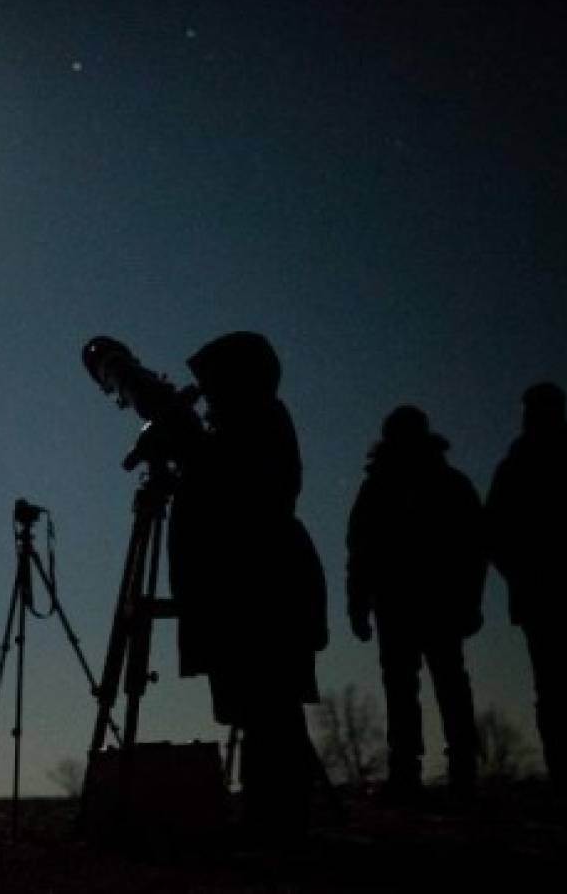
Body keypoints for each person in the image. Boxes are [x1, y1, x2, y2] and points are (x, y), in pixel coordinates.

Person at [168, 331, 328, 840]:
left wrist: (192, 449)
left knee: (268, 710)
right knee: (258, 709)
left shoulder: (258, 425)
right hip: (245, 590)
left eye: (213, 385)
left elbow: (240, 494)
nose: (206, 395)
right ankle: (274, 817)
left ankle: (278, 822)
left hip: (262, 593)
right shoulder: (244, 426)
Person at [346, 406, 484, 800]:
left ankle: (424, 769)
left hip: (411, 603)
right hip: (421, 603)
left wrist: (359, 603)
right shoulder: (446, 482)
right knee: (438, 684)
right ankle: (445, 769)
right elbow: (361, 550)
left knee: (418, 686)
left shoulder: (383, 487)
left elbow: (361, 550)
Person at [485, 382, 567, 791]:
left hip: (562, 594)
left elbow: (494, 532)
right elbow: (494, 533)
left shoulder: (522, 468)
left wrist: (520, 574)